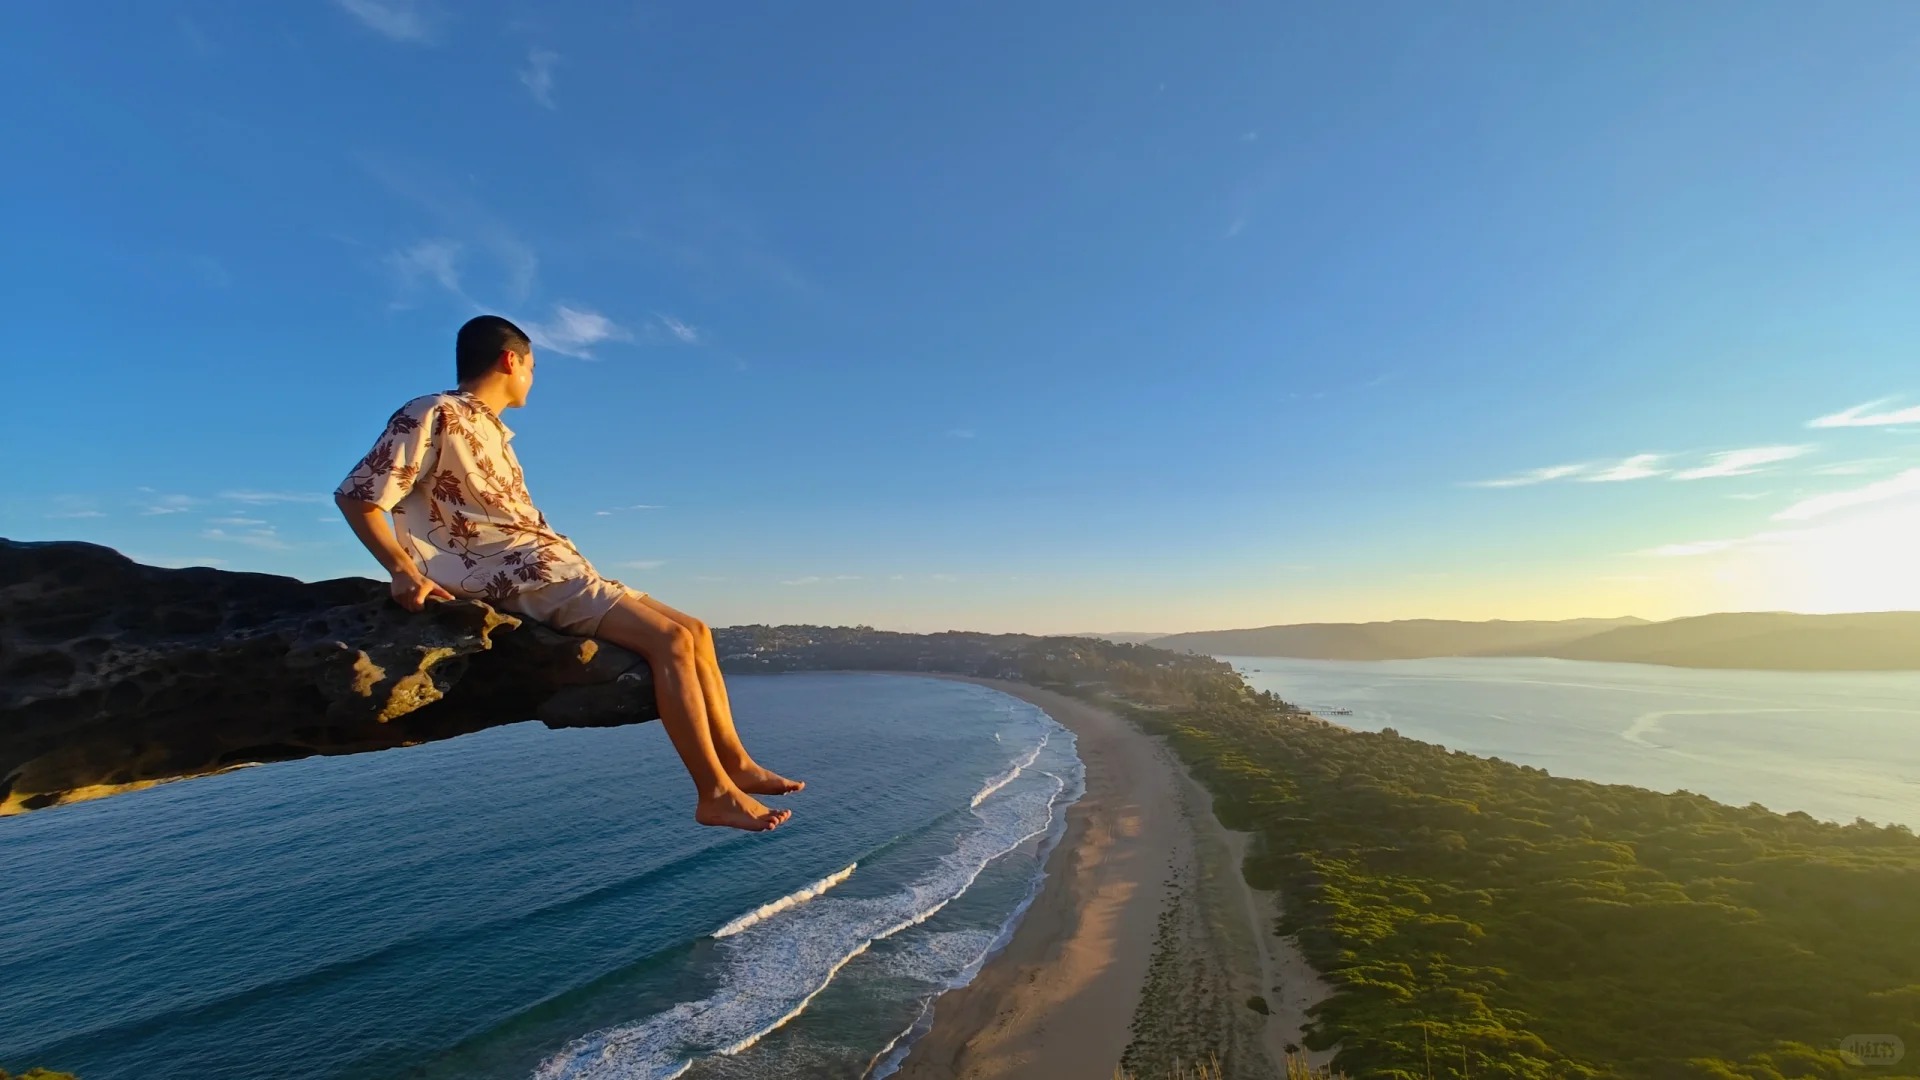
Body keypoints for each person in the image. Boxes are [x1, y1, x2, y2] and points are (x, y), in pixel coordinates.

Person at [333, 315, 800, 832]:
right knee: (668, 641)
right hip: (517, 575)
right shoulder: (435, 412)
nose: (532, 378)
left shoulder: (491, 430)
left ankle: (737, 764)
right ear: (511, 360)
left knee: (696, 630)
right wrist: (402, 570)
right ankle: (713, 794)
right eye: (532, 367)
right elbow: (358, 495)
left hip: (553, 565)